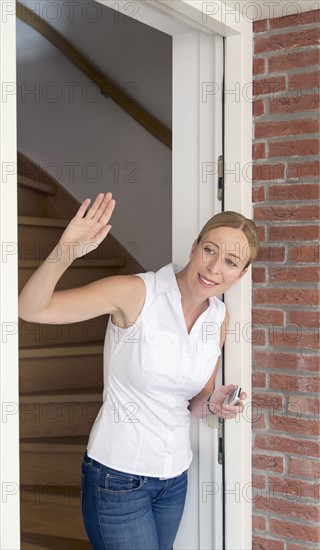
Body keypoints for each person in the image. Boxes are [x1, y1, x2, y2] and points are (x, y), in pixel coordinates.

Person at [18, 192, 260, 550]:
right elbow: (32, 309)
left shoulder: (219, 318)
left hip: (174, 478)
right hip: (117, 479)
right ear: (194, 247)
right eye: (209, 250)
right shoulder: (136, 292)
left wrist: (215, 404)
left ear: (240, 275)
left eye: (230, 261)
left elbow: (193, 401)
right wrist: (65, 250)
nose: (213, 268)